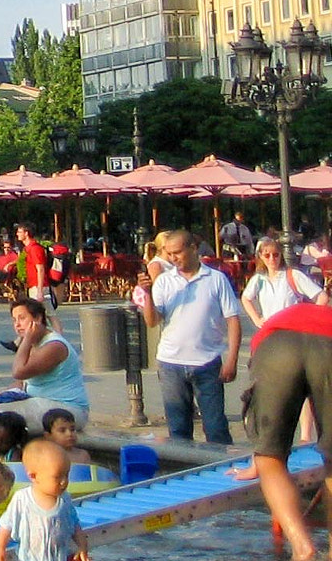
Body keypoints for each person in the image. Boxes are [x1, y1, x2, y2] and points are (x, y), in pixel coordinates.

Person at [240, 298, 332, 561]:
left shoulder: (273, 326)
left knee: (271, 458)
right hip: (329, 345)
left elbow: (267, 430)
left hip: (276, 348)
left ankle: (302, 548)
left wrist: (262, 454)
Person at [137, 227, 241, 445]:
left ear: (193, 249)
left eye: (178, 252)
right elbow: (152, 321)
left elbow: (233, 319)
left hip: (207, 361)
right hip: (170, 362)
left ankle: (220, 471)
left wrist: (231, 359)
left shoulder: (216, 279)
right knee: (178, 428)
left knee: (215, 427)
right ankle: (184, 472)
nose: (173, 258)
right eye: (169, 254)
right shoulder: (165, 281)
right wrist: (146, 294)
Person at [0, 298, 89, 432]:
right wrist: (2, 395)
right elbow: (21, 381)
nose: (17, 325)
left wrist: (26, 340)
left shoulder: (54, 346)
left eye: (22, 318)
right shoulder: (36, 342)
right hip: (44, 403)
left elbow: (19, 371)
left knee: (1, 417)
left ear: (37, 318)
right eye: (14, 320)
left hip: (67, 410)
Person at [0, 438, 88, 561]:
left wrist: (82, 547)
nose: (64, 482)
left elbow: (74, 525)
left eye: (66, 475)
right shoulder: (23, 499)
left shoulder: (64, 500)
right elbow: (6, 525)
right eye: (57, 477)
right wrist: (0, 548)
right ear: (34, 476)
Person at [244, 235, 330, 328]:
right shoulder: (259, 279)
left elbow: (322, 297)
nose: (272, 259)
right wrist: (256, 319)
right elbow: (245, 298)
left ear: (281, 255)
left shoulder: (293, 275)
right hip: (270, 330)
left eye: (276, 255)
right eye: (267, 255)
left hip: (292, 331)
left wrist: (309, 319)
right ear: (261, 256)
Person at [16, 223, 53, 307]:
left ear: (26, 233)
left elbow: (40, 269)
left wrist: (40, 291)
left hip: (39, 286)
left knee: (49, 315)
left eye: (19, 232)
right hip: (34, 286)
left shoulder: (35, 249)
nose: (17, 234)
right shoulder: (28, 249)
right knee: (39, 315)